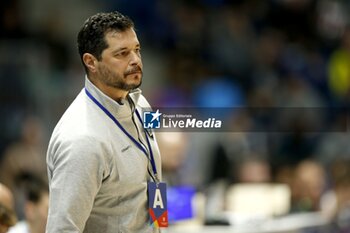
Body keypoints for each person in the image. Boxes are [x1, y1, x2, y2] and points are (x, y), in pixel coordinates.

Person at [45, 11, 162, 233]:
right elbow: (62, 229)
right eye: (122, 53)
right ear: (91, 62)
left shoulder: (141, 103)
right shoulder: (81, 140)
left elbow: (153, 174)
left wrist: (160, 226)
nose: (135, 60)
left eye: (137, 50)